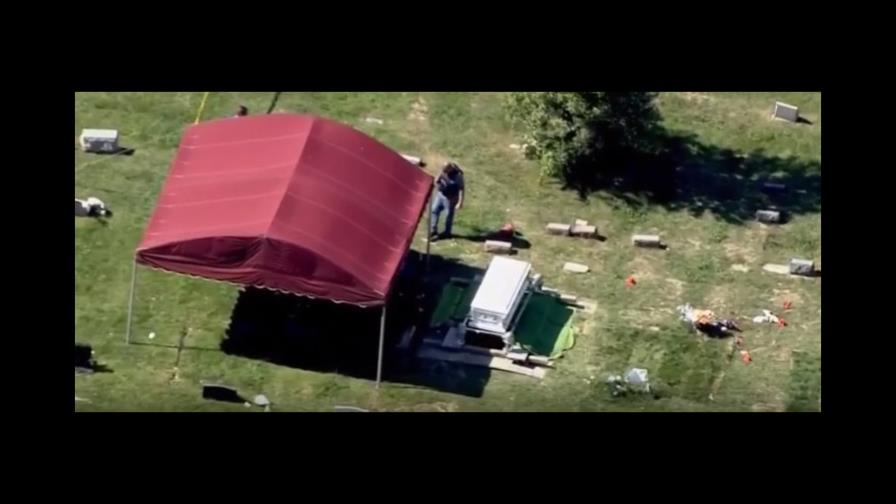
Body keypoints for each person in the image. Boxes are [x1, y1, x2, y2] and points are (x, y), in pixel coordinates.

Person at [430, 162, 465, 240]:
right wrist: (438, 184)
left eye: (446, 171)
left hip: (451, 198)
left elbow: (461, 189)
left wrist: (460, 202)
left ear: (450, 168)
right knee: (434, 210)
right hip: (441, 195)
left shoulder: (458, 176)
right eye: (444, 170)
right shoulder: (443, 171)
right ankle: (433, 229)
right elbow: (437, 180)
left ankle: (447, 233)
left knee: (448, 215)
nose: (445, 172)